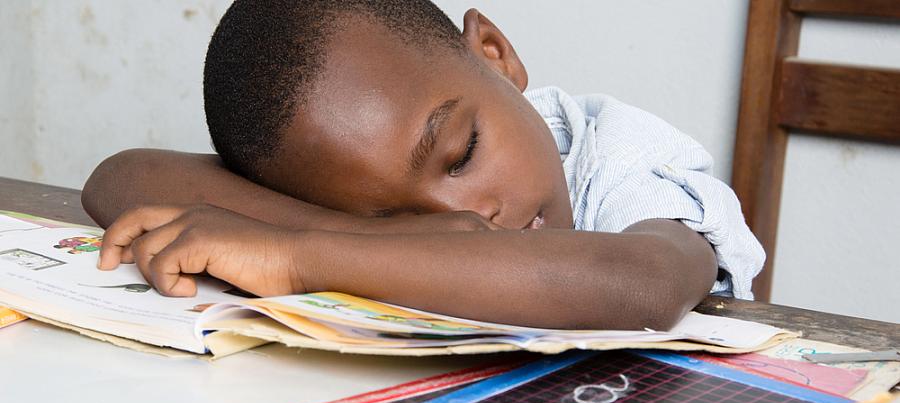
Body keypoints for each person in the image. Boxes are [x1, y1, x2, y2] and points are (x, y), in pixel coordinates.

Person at [83, 0, 764, 331]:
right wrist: (370, 240)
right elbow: (120, 178)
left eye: (461, 154)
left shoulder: (617, 157)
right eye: (391, 215)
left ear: (495, 53)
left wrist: (299, 256)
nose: (460, 220)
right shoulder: (386, 191)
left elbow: (637, 284)